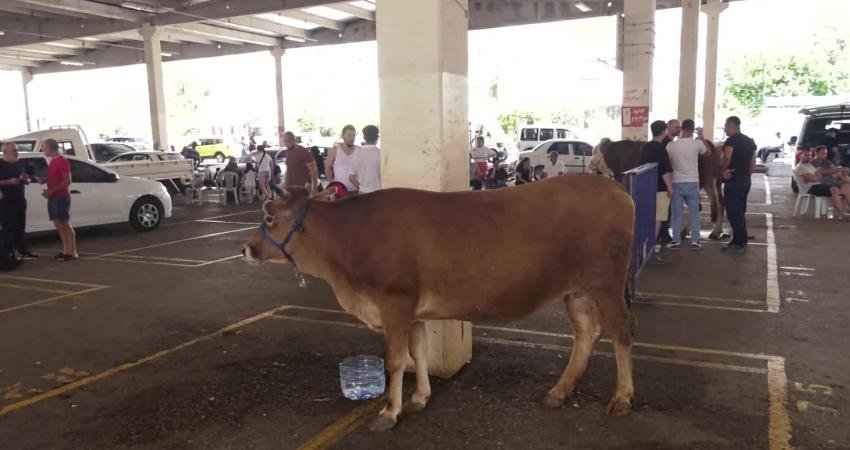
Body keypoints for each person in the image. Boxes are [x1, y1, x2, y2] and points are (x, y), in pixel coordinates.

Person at [666, 119, 707, 249]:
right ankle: (695, 241)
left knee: (676, 213)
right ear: (693, 129)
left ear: (682, 128)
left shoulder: (671, 146)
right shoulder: (698, 144)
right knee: (694, 212)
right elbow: (708, 154)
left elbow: (667, 162)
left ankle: (676, 240)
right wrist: (702, 137)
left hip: (677, 181)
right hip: (693, 181)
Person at [720, 116, 757, 253]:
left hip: (733, 180)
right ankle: (738, 240)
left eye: (726, 126)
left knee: (734, 212)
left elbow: (727, 157)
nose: (725, 129)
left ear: (731, 126)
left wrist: (723, 170)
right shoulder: (750, 141)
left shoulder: (731, 141)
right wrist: (747, 176)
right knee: (740, 211)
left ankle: (739, 242)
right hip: (745, 180)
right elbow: (753, 162)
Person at [640, 120, 674, 253]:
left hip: (646, 186)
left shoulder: (646, 147)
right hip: (660, 187)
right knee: (659, 217)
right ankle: (650, 246)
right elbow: (664, 170)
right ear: (664, 132)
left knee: (647, 215)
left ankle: (644, 242)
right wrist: (669, 187)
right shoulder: (661, 149)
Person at [41, 139, 77, 261]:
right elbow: (55, 178)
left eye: (44, 147)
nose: (43, 150)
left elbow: (67, 180)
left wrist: (52, 190)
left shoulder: (62, 161)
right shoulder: (52, 161)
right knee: (58, 224)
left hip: (61, 197)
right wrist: (45, 181)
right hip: (53, 197)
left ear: (51, 148)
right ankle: (65, 250)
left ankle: (72, 251)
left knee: (65, 223)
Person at [0, 142, 37, 260]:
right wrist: (9, 182)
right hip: (5, 201)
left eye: (17, 150)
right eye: (14, 150)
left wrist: (27, 180)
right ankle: (9, 253)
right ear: (5, 152)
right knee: (7, 228)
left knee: (21, 226)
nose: (17, 153)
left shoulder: (20, 164)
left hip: (20, 200)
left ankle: (22, 251)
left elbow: (28, 179)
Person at [794, 149, 849, 218]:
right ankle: (841, 214)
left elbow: (818, 176)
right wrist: (815, 177)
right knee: (834, 189)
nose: (809, 157)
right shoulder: (800, 167)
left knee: (845, 187)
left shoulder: (809, 165)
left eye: (810, 155)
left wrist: (814, 176)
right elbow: (813, 178)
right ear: (800, 156)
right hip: (810, 188)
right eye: (806, 155)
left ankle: (841, 213)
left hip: (818, 185)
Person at [326, 125, 360, 192]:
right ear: (343, 136)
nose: (352, 138)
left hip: (355, 190)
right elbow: (327, 168)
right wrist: (332, 183)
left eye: (353, 135)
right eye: (349, 135)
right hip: (339, 190)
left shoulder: (359, 150)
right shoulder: (335, 150)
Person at [349, 125, 381, 194]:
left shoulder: (356, 154)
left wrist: (361, 187)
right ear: (377, 138)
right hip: (378, 193)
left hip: (362, 194)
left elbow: (351, 177)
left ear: (364, 138)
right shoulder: (381, 154)